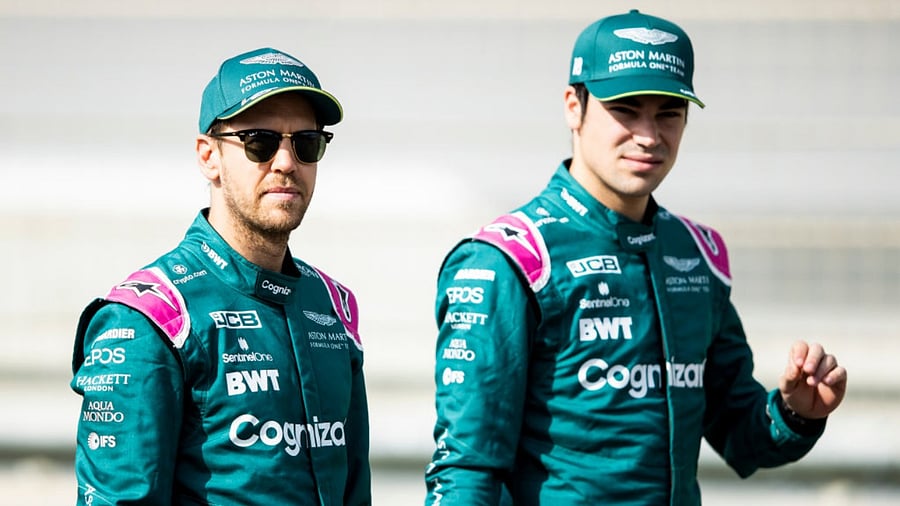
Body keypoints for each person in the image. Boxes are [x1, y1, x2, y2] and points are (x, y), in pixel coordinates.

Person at [424, 10, 847, 505]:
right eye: (625, 108)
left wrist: (797, 413)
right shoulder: (509, 259)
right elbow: (466, 470)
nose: (649, 135)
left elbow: (741, 433)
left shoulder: (697, 252)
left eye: (668, 111)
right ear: (573, 107)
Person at [70, 47, 371, 505]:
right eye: (260, 142)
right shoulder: (152, 316)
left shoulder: (332, 306)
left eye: (306, 143)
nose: (287, 163)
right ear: (208, 157)